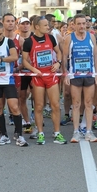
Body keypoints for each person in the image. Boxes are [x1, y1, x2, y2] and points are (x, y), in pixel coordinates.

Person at [22, 16, 67, 145]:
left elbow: (58, 52)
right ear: (37, 27)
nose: (49, 27)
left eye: (48, 25)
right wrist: (33, 70)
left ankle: (57, 133)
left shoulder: (51, 38)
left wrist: (58, 63)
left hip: (51, 75)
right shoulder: (28, 41)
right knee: (39, 106)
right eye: (46, 25)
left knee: (56, 105)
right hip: (38, 77)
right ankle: (40, 133)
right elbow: (24, 60)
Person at [0, 22, 28, 146]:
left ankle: (19, 135)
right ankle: (3, 134)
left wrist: (1, 59)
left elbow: (14, 57)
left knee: (14, 107)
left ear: (3, 32)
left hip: (8, 80)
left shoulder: (9, 42)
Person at [63, 14, 97, 143]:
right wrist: (66, 73)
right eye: (78, 24)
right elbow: (64, 57)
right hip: (75, 75)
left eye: (83, 23)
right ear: (73, 25)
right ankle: (76, 132)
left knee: (89, 103)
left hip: (89, 74)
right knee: (76, 103)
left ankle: (89, 131)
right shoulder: (69, 38)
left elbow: (96, 55)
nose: (81, 26)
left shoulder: (91, 37)